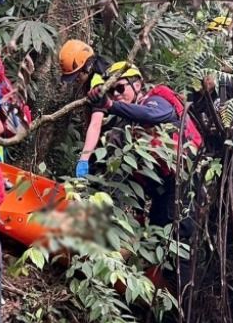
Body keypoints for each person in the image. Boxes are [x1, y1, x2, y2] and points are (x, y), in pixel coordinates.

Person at [83, 64, 202, 228]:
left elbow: (151, 114)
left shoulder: (155, 100)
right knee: (158, 230)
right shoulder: (128, 123)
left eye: (120, 87)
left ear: (137, 85)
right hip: (162, 191)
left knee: (179, 235)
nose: (116, 94)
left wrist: (110, 105)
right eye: (111, 91)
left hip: (182, 186)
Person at [60, 39, 114, 178]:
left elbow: (96, 123)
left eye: (77, 75)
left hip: (112, 140)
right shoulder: (101, 69)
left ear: (87, 67)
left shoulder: (97, 81)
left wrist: (84, 159)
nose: (76, 80)